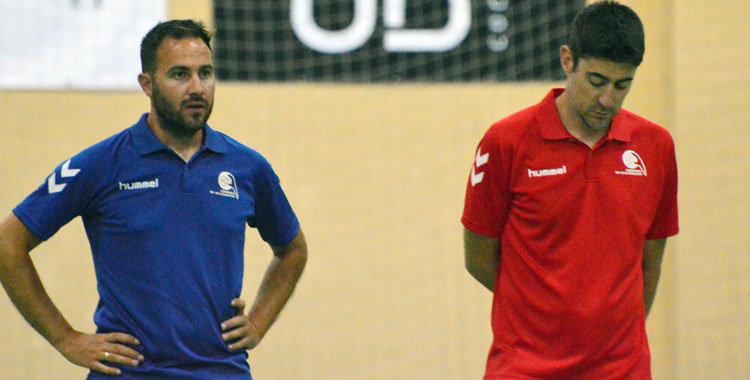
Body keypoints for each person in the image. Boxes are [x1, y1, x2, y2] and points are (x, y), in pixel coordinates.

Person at [0, 20, 307, 379]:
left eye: (205, 73)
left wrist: (257, 322)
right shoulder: (101, 164)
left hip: (222, 371)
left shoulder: (247, 167)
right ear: (147, 84)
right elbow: (8, 243)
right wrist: (66, 339)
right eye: (179, 75)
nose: (197, 88)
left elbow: (293, 251)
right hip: (127, 373)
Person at [461, 2, 678, 379]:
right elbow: (478, 256)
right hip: (524, 368)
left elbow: (650, 261)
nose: (607, 99)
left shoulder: (656, 146)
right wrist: (541, 311)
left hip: (622, 371)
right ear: (567, 60)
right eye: (596, 81)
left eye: (622, 85)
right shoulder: (506, 142)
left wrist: (613, 339)